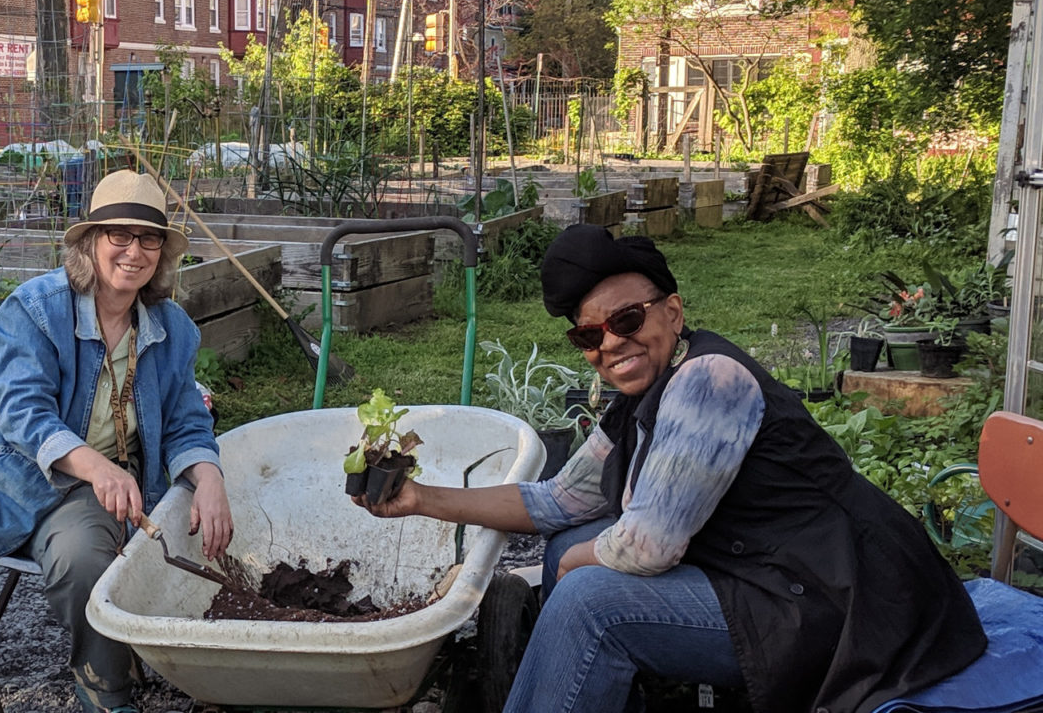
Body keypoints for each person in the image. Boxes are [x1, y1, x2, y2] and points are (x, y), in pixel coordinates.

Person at [355, 224, 987, 713]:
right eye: (589, 337)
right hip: (771, 574)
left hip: (844, 604)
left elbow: (645, 550)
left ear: (673, 313)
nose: (610, 344)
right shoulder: (639, 400)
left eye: (627, 320)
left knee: (587, 598)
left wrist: (569, 573)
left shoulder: (709, 381)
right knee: (569, 546)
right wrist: (420, 498)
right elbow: (558, 503)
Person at [0, 170, 235, 713]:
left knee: (85, 561)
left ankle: (105, 692)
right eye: (120, 235)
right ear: (91, 242)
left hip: (84, 492)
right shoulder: (34, 309)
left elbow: (185, 419)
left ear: (161, 252)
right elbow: (22, 411)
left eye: (149, 238)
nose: (134, 252)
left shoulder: (172, 329)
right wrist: (101, 467)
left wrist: (209, 478)